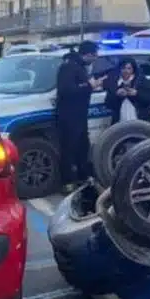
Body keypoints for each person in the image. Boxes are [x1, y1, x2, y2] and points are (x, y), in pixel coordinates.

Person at [55, 40, 100, 192]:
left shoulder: (80, 67)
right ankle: (67, 181)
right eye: (94, 55)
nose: (96, 58)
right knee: (69, 148)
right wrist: (89, 86)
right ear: (87, 54)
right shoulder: (69, 67)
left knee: (82, 146)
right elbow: (66, 90)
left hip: (80, 114)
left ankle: (83, 176)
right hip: (69, 115)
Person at [103, 58, 150, 124]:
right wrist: (117, 95)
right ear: (120, 69)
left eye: (129, 68)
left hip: (141, 120)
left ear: (133, 69)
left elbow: (149, 98)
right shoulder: (114, 82)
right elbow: (108, 104)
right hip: (121, 121)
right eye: (123, 68)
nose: (126, 71)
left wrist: (136, 94)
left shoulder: (141, 80)